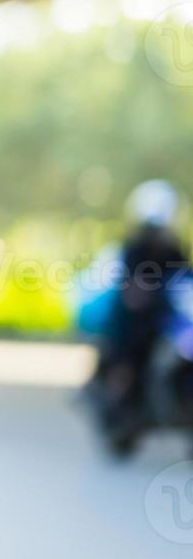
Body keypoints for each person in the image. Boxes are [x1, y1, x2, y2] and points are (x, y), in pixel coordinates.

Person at [98, 180, 188, 423]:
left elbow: (185, 274)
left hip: (166, 311)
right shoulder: (134, 247)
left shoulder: (174, 248)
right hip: (137, 312)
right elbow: (132, 288)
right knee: (135, 336)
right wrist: (143, 293)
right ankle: (121, 381)